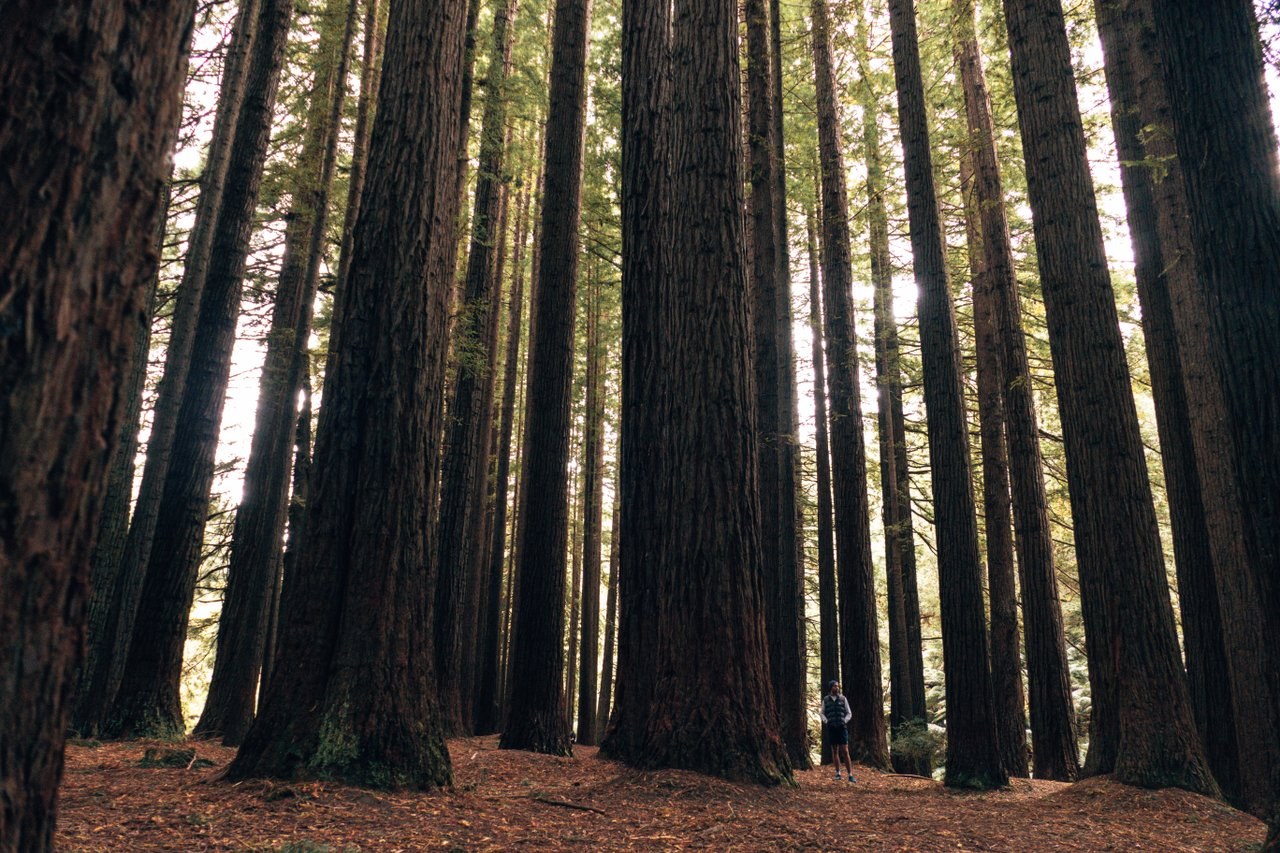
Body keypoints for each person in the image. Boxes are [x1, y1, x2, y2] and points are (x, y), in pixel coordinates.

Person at [822, 679, 856, 782]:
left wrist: (844, 721)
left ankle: (850, 775)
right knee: (835, 751)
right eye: (834, 686)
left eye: (837, 686)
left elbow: (849, 712)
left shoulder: (843, 699)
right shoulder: (826, 700)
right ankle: (838, 773)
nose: (836, 688)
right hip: (832, 728)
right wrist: (826, 721)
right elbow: (822, 712)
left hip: (842, 728)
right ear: (831, 687)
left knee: (845, 751)